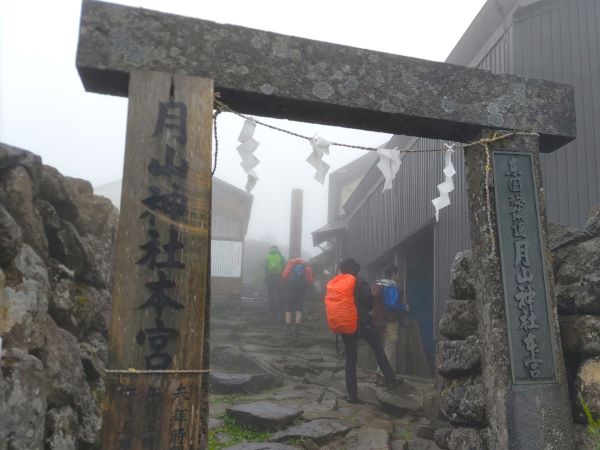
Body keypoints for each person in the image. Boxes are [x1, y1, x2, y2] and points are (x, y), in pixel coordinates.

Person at [325, 258, 402, 404]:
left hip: (346, 325)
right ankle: (391, 380)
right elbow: (368, 297)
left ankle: (351, 395)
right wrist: (366, 310)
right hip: (363, 323)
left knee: (351, 359)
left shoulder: (338, 283)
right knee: (378, 350)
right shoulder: (359, 280)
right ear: (355, 268)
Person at [372, 264, 409, 382]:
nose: (398, 276)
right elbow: (391, 304)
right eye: (397, 273)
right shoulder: (391, 286)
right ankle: (381, 372)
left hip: (379, 320)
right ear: (393, 274)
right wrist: (404, 307)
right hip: (390, 320)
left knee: (387, 345)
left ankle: (389, 372)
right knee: (390, 345)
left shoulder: (379, 285)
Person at [281, 258, 314, 335]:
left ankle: (287, 329)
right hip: (301, 289)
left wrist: (287, 285)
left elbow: (284, 276)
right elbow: (310, 281)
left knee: (288, 309)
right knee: (299, 310)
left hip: (291, 289)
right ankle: (297, 330)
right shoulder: (306, 267)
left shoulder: (290, 265)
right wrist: (306, 286)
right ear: (302, 261)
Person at [264, 245, 286, 319]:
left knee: (271, 295)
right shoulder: (281, 257)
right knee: (280, 295)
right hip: (279, 278)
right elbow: (285, 268)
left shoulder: (267, 257)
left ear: (271, 249)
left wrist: (266, 280)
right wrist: (284, 279)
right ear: (278, 249)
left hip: (270, 278)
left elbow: (266, 270)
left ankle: (271, 312)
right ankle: (279, 312)